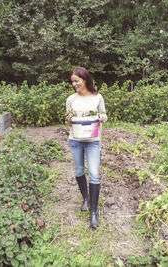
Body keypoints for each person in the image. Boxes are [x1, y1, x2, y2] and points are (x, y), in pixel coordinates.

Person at [65, 67, 107, 229]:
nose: (74, 84)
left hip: (93, 140)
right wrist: (70, 118)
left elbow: (104, 114)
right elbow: (68, 119)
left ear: (85, 79)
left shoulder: (97, 97)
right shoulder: (71, 99)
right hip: (75, 139)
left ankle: (93, 212)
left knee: (94, 174)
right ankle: (85, 198)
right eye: (72, 82)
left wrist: (100, 117)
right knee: (79, 171)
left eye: (77, 81)